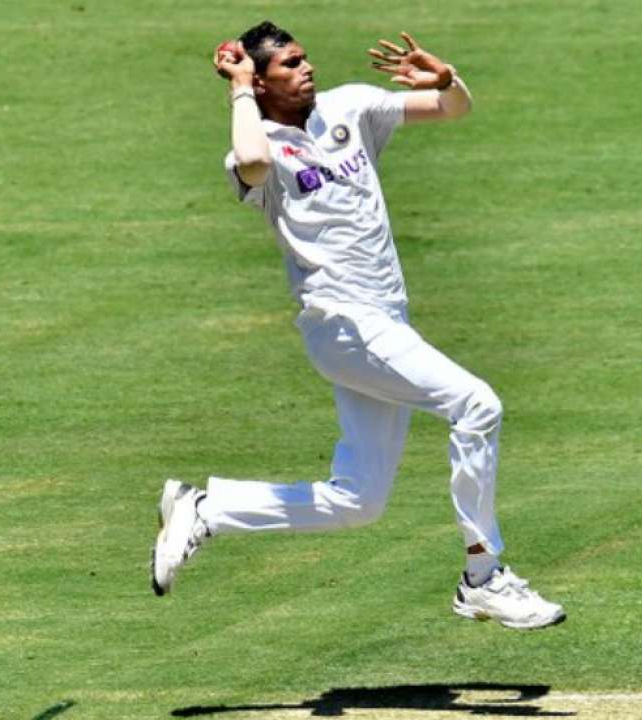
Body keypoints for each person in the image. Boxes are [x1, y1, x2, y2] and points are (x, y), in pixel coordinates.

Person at [151, 20, 564, 630]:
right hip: (343, 323)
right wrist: (238, 89)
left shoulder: (349, 107)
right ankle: (483, 575)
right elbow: (255, 161)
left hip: (384, 321)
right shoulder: (254, 142)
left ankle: (210, 508)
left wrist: (448, 79)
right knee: (478, 405)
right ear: (260, 83)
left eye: (304, 57)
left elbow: (451, 109)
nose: (307, 68)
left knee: (358, 502)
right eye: (288, 66)